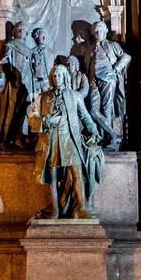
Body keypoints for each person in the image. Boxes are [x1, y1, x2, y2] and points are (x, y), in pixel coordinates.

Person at [32, 62, 101, 219]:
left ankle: (80, 208)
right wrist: (45, 121)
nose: (56, 78)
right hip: (51, 140)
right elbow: (32, 118)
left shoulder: (75, 96)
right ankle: (55, 209)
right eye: (54, 75)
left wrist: (94, 131)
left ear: (65, 77)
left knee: (76, 171)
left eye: (59, 75)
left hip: (69, 138)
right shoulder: (42, 97)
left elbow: (85, 116)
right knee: (52, 175)